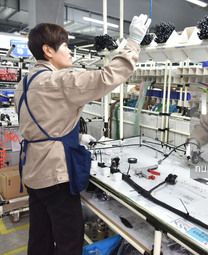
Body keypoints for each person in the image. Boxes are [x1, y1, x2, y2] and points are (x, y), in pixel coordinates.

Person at [14, 14, 151, 255]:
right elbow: (106, 78)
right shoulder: (59, 80)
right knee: (69, 241)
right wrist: (133, 41)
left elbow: (38, 124)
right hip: (54, 175)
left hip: (32, 170)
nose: (70, 51)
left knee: (40, 238)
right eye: (65, 46)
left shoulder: (24, 84)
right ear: (48, 50)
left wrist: (75, 137)